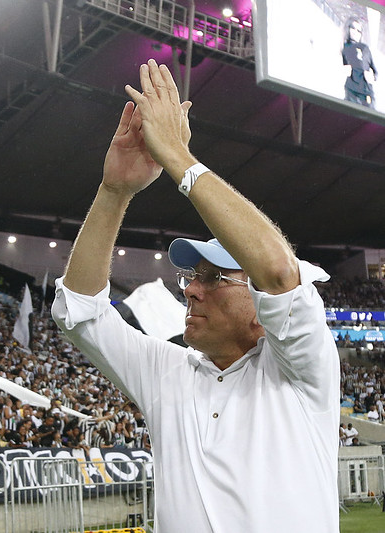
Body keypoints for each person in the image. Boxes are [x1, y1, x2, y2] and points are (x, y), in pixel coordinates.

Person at [52, 59, 339, 532]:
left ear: (261, 311)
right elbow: (80, 313)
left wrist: (179, 160)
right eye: (191, 276)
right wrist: (114, 190)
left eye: (214, 277)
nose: (191, 289)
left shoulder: (300, 368)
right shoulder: (168, 372)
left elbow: (278, 272)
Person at [342, 17, 377, 107]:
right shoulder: (344, 47)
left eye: (358, 30)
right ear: (348, 28)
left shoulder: (365, 48)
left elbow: (375, 71)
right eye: (353, 28)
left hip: (366, 92)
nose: (355, 32)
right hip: (351, 91)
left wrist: (372, 77)